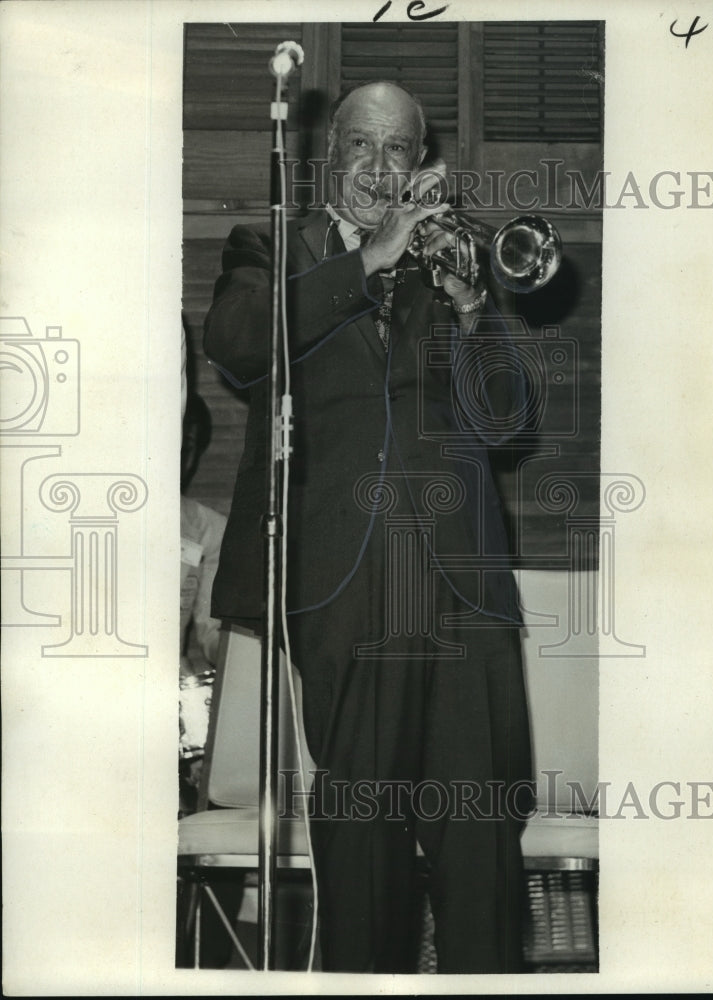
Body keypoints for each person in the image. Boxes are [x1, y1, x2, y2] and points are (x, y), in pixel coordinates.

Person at [204, 80, 533, 973]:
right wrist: (367, 262)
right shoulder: (272, 247)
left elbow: (506, 422)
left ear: (421, 163)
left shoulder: (450, 262)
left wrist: (472, 310)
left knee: (481, 852)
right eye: (361, 147)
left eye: (399, 151)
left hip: (463, 589)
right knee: (363, 849)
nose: (379, 168)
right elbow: (236, 341)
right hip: (343, 587)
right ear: (328, 157)